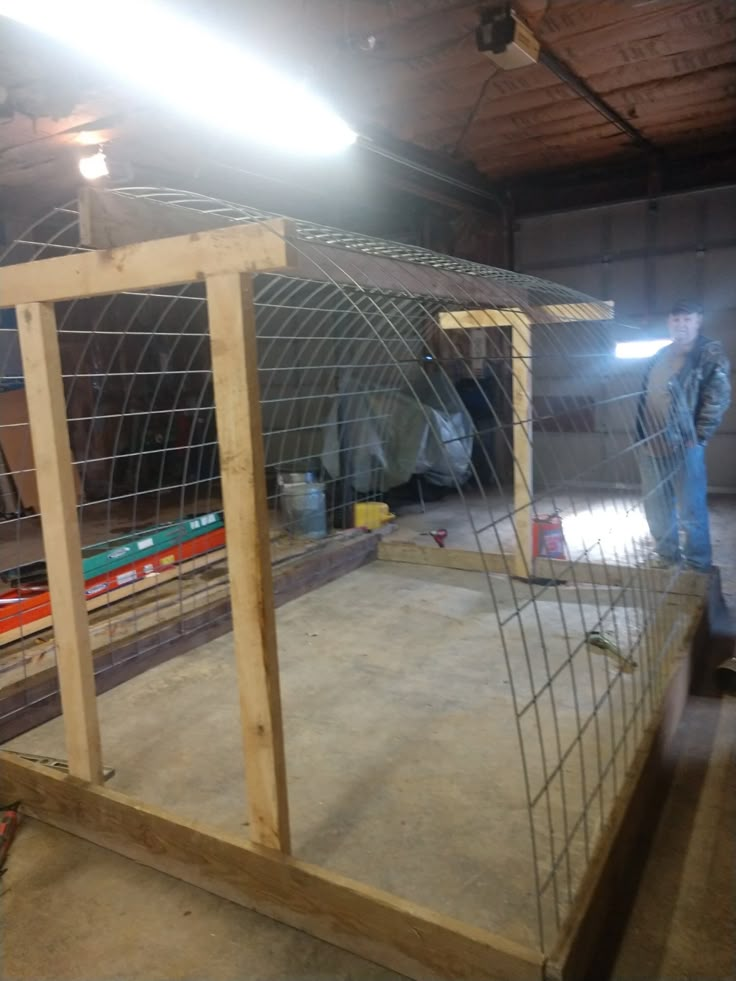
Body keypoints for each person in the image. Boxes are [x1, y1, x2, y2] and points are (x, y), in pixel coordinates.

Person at [636, 300, 731, 571]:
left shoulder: (709, 353)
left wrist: (700, 436)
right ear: (669, 323)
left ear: (698, 321)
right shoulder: (660, 353)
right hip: (650, 442)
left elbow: (718, 398)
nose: (682, 324)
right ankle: (667, 558)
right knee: (656, 507)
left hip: (685, 444)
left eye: (687, 319)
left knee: (691, 508)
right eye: (676, 319)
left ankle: (698, 564)